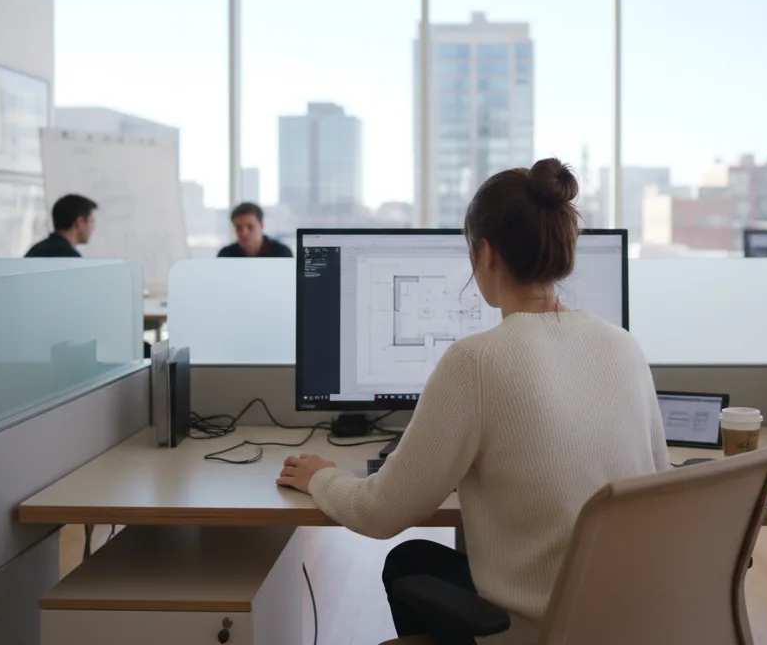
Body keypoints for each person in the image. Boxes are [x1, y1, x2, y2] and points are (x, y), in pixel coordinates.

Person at [277, 158, 667, 644]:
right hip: (625, 622)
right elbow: (659, 479)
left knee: (406, 561)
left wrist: (321, 478)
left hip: (537, 631)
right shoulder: (623, 345)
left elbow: (382, 512)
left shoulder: (477, 361)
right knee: (415, 561)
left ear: (485, 254)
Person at [25, 194, 96, 258]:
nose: (93, 228)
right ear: (80, 222)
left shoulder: (36, 250)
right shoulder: (69, 257)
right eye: (91, 221)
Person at [217, 202, 292, 258]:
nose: (244, 233)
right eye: (238, 227)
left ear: (261, 226)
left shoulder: (282, 253)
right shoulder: (225, 255)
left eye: (250, 227)